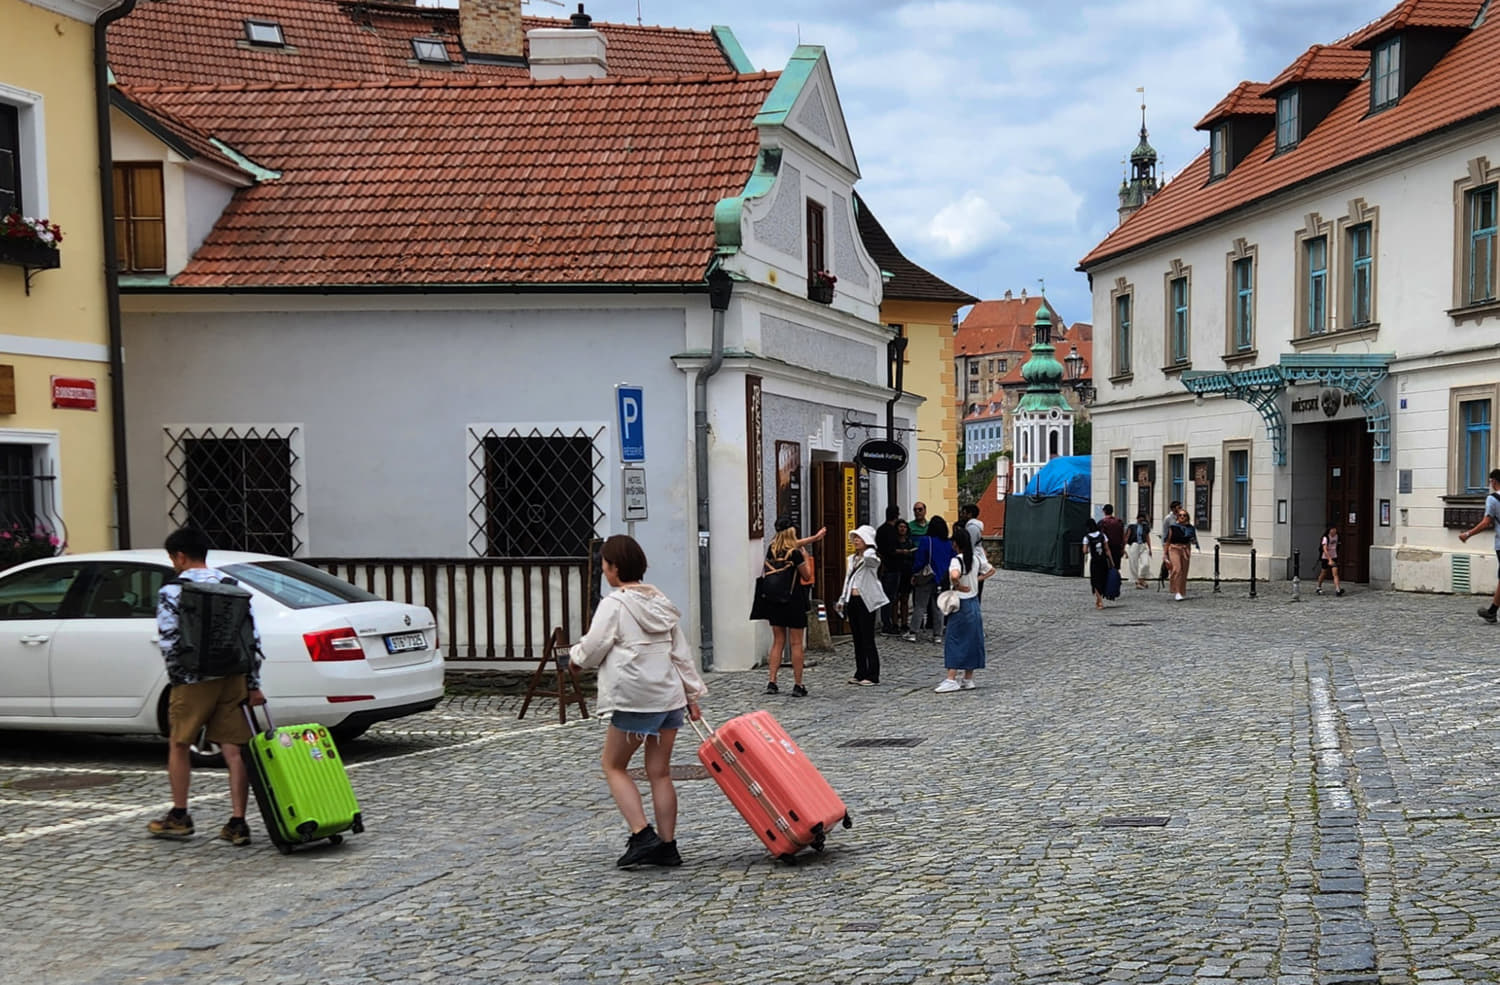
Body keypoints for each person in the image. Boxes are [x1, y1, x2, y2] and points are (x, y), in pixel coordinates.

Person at [570, 535, 707, 868]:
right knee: (659, 772)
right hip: (669, 696)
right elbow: (680, 653)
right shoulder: (660, 600)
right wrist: (691, 695)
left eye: (604, 563)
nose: (603, 569)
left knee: (613, 765)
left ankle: (641, 833)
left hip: (635, 697)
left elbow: (593, 648)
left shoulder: (615, 604)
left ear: (615, 567)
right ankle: (668, 845)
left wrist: (574, 659)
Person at [147, 526, 264, 846]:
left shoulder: (172, 591)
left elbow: (169, 639)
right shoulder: (233, 586)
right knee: (234, 751)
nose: (173, 564)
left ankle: (180, 816)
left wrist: (178, 679)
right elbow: (251, 638)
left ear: (181, 556)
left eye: (173, 558)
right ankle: (238, 822)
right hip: (232, 676)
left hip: (193, 679)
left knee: (180, 744)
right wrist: (253, 683)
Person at [758, 518, 824, 696]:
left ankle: (772, 681)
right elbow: (806, 575)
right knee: (796, 644)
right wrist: (805, 558)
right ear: (791, 531)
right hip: (793, 601)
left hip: (774, 602)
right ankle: (798, 684)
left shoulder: (772, 549)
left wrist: (813, 538)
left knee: (777, 642)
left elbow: (791, 544)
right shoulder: (795, 553)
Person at [934, 527, 995, 692]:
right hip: (974, 603)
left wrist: (958, 585)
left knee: (954, 639)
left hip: (961, 605)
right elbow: (991, 569)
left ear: (955, 543)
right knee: (972, 640)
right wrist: (978, 579)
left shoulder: (957, 560)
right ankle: (968, 679)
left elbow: (954, 575)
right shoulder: (975, 559)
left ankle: (951, 678)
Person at [836, 525, 888, 685]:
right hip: (852, 600)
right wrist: (842, 599)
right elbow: (848, 579)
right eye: (855, 538)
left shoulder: (871, 558)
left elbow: (873, 561)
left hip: (865, 601)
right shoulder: (851, 559)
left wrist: (870, 549)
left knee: (867, 637)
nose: (856, 541)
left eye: (860, 538)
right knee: (857, 637)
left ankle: (873, 674)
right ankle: (860, 671)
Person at [1458, 468, 1500, 622]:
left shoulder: (1492, 499)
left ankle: (1492, 612)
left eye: (1490, 482)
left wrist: (1468, 534)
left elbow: (1486, 522)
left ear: (1493, 482)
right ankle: (1492, 611)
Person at [911, 515, 954, 644]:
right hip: (942, 577)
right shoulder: (948, 543)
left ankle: (913, 632)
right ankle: (938, 635)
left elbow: (920, 559)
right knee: (938, 607)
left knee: (920, 605)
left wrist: (914, 573)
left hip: (927, 576)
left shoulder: (926, 540)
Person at [874, 505, 903, 634]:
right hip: (892, 567)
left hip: (882, 567)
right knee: (890, 597)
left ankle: (887, 622)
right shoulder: (892, 531)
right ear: (896, 515)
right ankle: (887, 623)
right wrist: (903, 551)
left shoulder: (880, 530)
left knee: (886, 596)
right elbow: (891, 550)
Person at [1164, 506, 1197, 601]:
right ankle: (1177, 591)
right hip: (1174, 548)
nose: (1182, 517)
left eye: (1184, 515)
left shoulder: (1190, 528)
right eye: (1180, 515)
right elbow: (1168, 541)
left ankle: (1182, 591)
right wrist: (1165, 554)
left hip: (1185, 548)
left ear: (1187, 517)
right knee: (1177, 569)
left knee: (1184, 571)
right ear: (1177, 517)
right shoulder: (1173, 527)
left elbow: (1193, 540)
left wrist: (1193, 540)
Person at [893, 519, 917, 640]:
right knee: (895, 598)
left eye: (904, 527)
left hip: (907, 572)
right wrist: (902, 552)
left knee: (905, 598)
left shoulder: (910, 542)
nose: (902, 529)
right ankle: (895, 622)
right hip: (896, 571)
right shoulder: (894, 542)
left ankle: (904, 622)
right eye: (900, 527)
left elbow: (914, 556)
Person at [1083, 517, 1114, 609]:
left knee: (1095, 581)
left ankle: (1099, 600)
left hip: (1095, 561)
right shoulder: (1102, 535)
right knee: (1102, 579)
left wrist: (1089, 549)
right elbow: (1107, 549)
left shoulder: (1087, 537)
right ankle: (1099, 599)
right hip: (1103, 560)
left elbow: (1084, 551)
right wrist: (1112, 562)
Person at [959, 504, 987, 600]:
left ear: (969, 514)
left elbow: (969, 546)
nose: (961, 515)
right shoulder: (972, 527)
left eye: (963, 513)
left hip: (975, 562)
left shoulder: (972, 528)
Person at [1126, 511, 1153, 589]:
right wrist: (1123, 548)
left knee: (1145, 563)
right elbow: (1127, 537)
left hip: (1143, 545)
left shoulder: (1145, 527)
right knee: (1134, 564)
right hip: (1134, 545)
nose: (1141, 521)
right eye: (1140, 519)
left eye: (1142, 519)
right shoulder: (1132, 526)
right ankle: (1136, 580)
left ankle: (1141, 578)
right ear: (1137, 519)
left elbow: (1147, 537)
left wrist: (1150, 548)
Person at [1158, 501, 1182, 590]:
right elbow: (1164, 532)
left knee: (1180, 566)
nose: (1180, 509)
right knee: (1174, 567)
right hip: (1171, 544)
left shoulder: (1182, 516)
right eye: (1178, 507)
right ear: (1173, 508)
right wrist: (1164, 546)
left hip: (1181, 544)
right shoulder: (1168, 518)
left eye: (1180, 507)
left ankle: (1178, 584)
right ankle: (1174, 585)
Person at [1316, 524, 1345, 597]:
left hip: (1334, 556)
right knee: (1323, 573)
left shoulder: (1337, 536)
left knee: (1335, 573)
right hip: (1325, 558)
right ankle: (1319, 586)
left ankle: (1338, 589)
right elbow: (1325, 550)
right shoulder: (1326, 538)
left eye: (1335, 530)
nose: (1334, 531)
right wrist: (1329, 560)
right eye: (1332, 530)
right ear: (1329, 530)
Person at [1099, 505, 1126, 575]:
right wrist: (1123, 548)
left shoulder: (1102, 523)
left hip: (1106, 548)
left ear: (1104, 511)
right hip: (1117, 548)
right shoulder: (1119, 522)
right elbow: (1123, 536)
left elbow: (1100, 537)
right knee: (1116, 567)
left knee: (1106, 567)